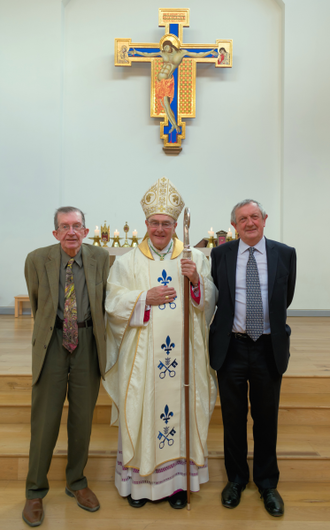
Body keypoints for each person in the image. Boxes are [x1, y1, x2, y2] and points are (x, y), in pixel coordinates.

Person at [103, 177, 217, 509]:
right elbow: (112, 302)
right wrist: (142, 298)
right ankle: (138, 485)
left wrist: (196, 281)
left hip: (185, 357)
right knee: (142, 411)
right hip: (142, 357)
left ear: (175, 225)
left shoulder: (194, 258)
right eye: (155, 222)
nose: (160, 229)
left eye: (167, 223)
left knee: (179, 414)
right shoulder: (126, 263)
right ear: (146, 223)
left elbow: (210, 299)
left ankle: (178, 485)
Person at [22, 207, 110, 527]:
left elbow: (106, 301)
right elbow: (37, 302)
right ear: (55, 233)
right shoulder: (36, 259)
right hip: (53, 342)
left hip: (87, 343)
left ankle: (76, 482)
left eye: (77, 226)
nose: (71, 232)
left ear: (86, 231)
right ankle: (35, 490)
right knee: (44, 419)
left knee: (82, 418)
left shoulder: (101, 258)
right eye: (64, 227)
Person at [209, 199, 296, 517]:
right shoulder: (220, 254)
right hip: (231, 347)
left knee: (266, 418)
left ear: (264, 219)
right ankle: (235, 479)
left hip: (267, 347)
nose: (249, 222)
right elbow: (215, 295)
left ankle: (267, 483)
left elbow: (285, 297)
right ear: (234, 224)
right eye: (242, 218)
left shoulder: (285, 253)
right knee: (232, 419)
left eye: (254, 216)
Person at [129, 35, 217, 133]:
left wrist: (209, 52)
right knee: (164, 104)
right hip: (159, 81)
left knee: (166, 104)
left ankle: (175, 125)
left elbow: (197, 55)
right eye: (164, 48)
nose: (165, 50)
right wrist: (136, 52)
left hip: (167, 81)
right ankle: (173, 125)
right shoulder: (163, 53)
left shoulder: (181, 53)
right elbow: (148, 54)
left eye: (166, 47)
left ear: (171, 46)